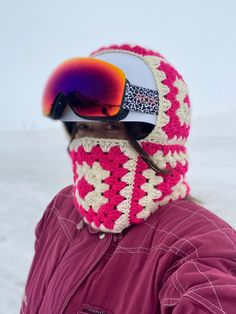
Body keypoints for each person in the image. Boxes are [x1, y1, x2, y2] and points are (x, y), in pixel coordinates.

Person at [20, 43, 236, 314]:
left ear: (158, 139)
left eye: (112, 127)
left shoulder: (200, 245)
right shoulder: (61, 209)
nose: (90, 142)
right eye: (83, 127)